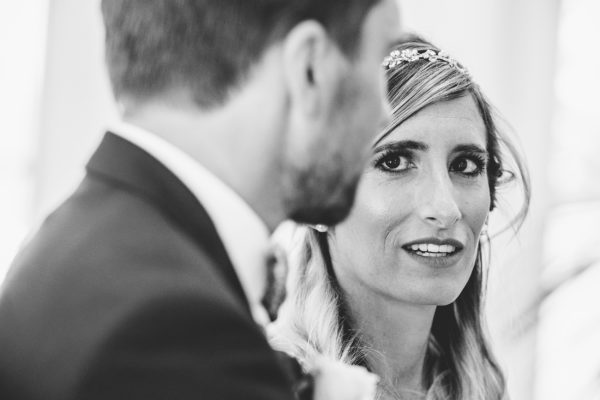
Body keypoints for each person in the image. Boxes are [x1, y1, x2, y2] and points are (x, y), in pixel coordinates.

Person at [0, 1, 401, 399]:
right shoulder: (175, 331)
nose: (386, 115)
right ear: (310, 70)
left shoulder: (76, 239)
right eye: (378, 62)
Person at [269, 36, 530, 400]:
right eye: (394, 162)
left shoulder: (485, 391)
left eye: (465, 165)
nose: (446, 208)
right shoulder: (265, 383)